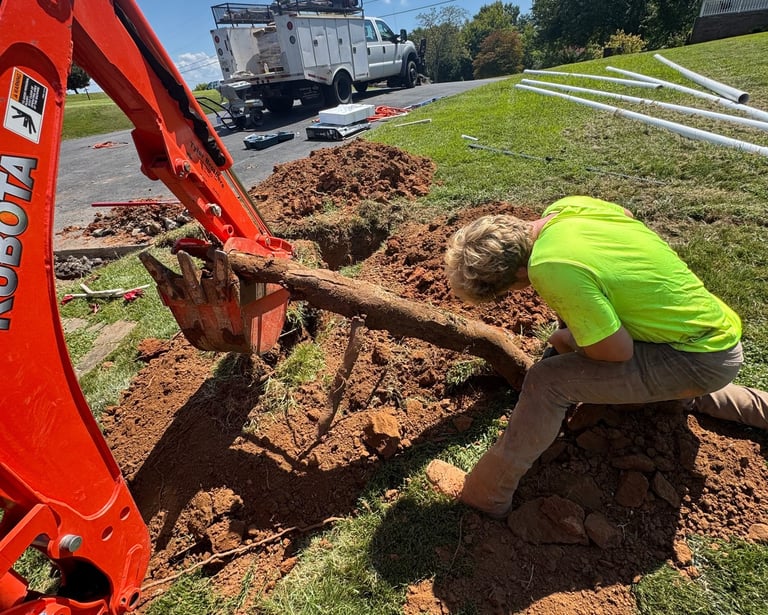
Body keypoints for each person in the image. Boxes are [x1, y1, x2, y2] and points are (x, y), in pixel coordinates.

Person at [427, 195, 768, 519]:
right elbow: (627, 218)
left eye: (506, 292)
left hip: (695, 360)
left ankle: (484, 495)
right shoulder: (566, 210)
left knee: (547, 382)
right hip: (710, 338)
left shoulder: (549, 267)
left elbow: (617, 352)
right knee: (667, 377)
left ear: (517, 275)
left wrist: (565, 339)